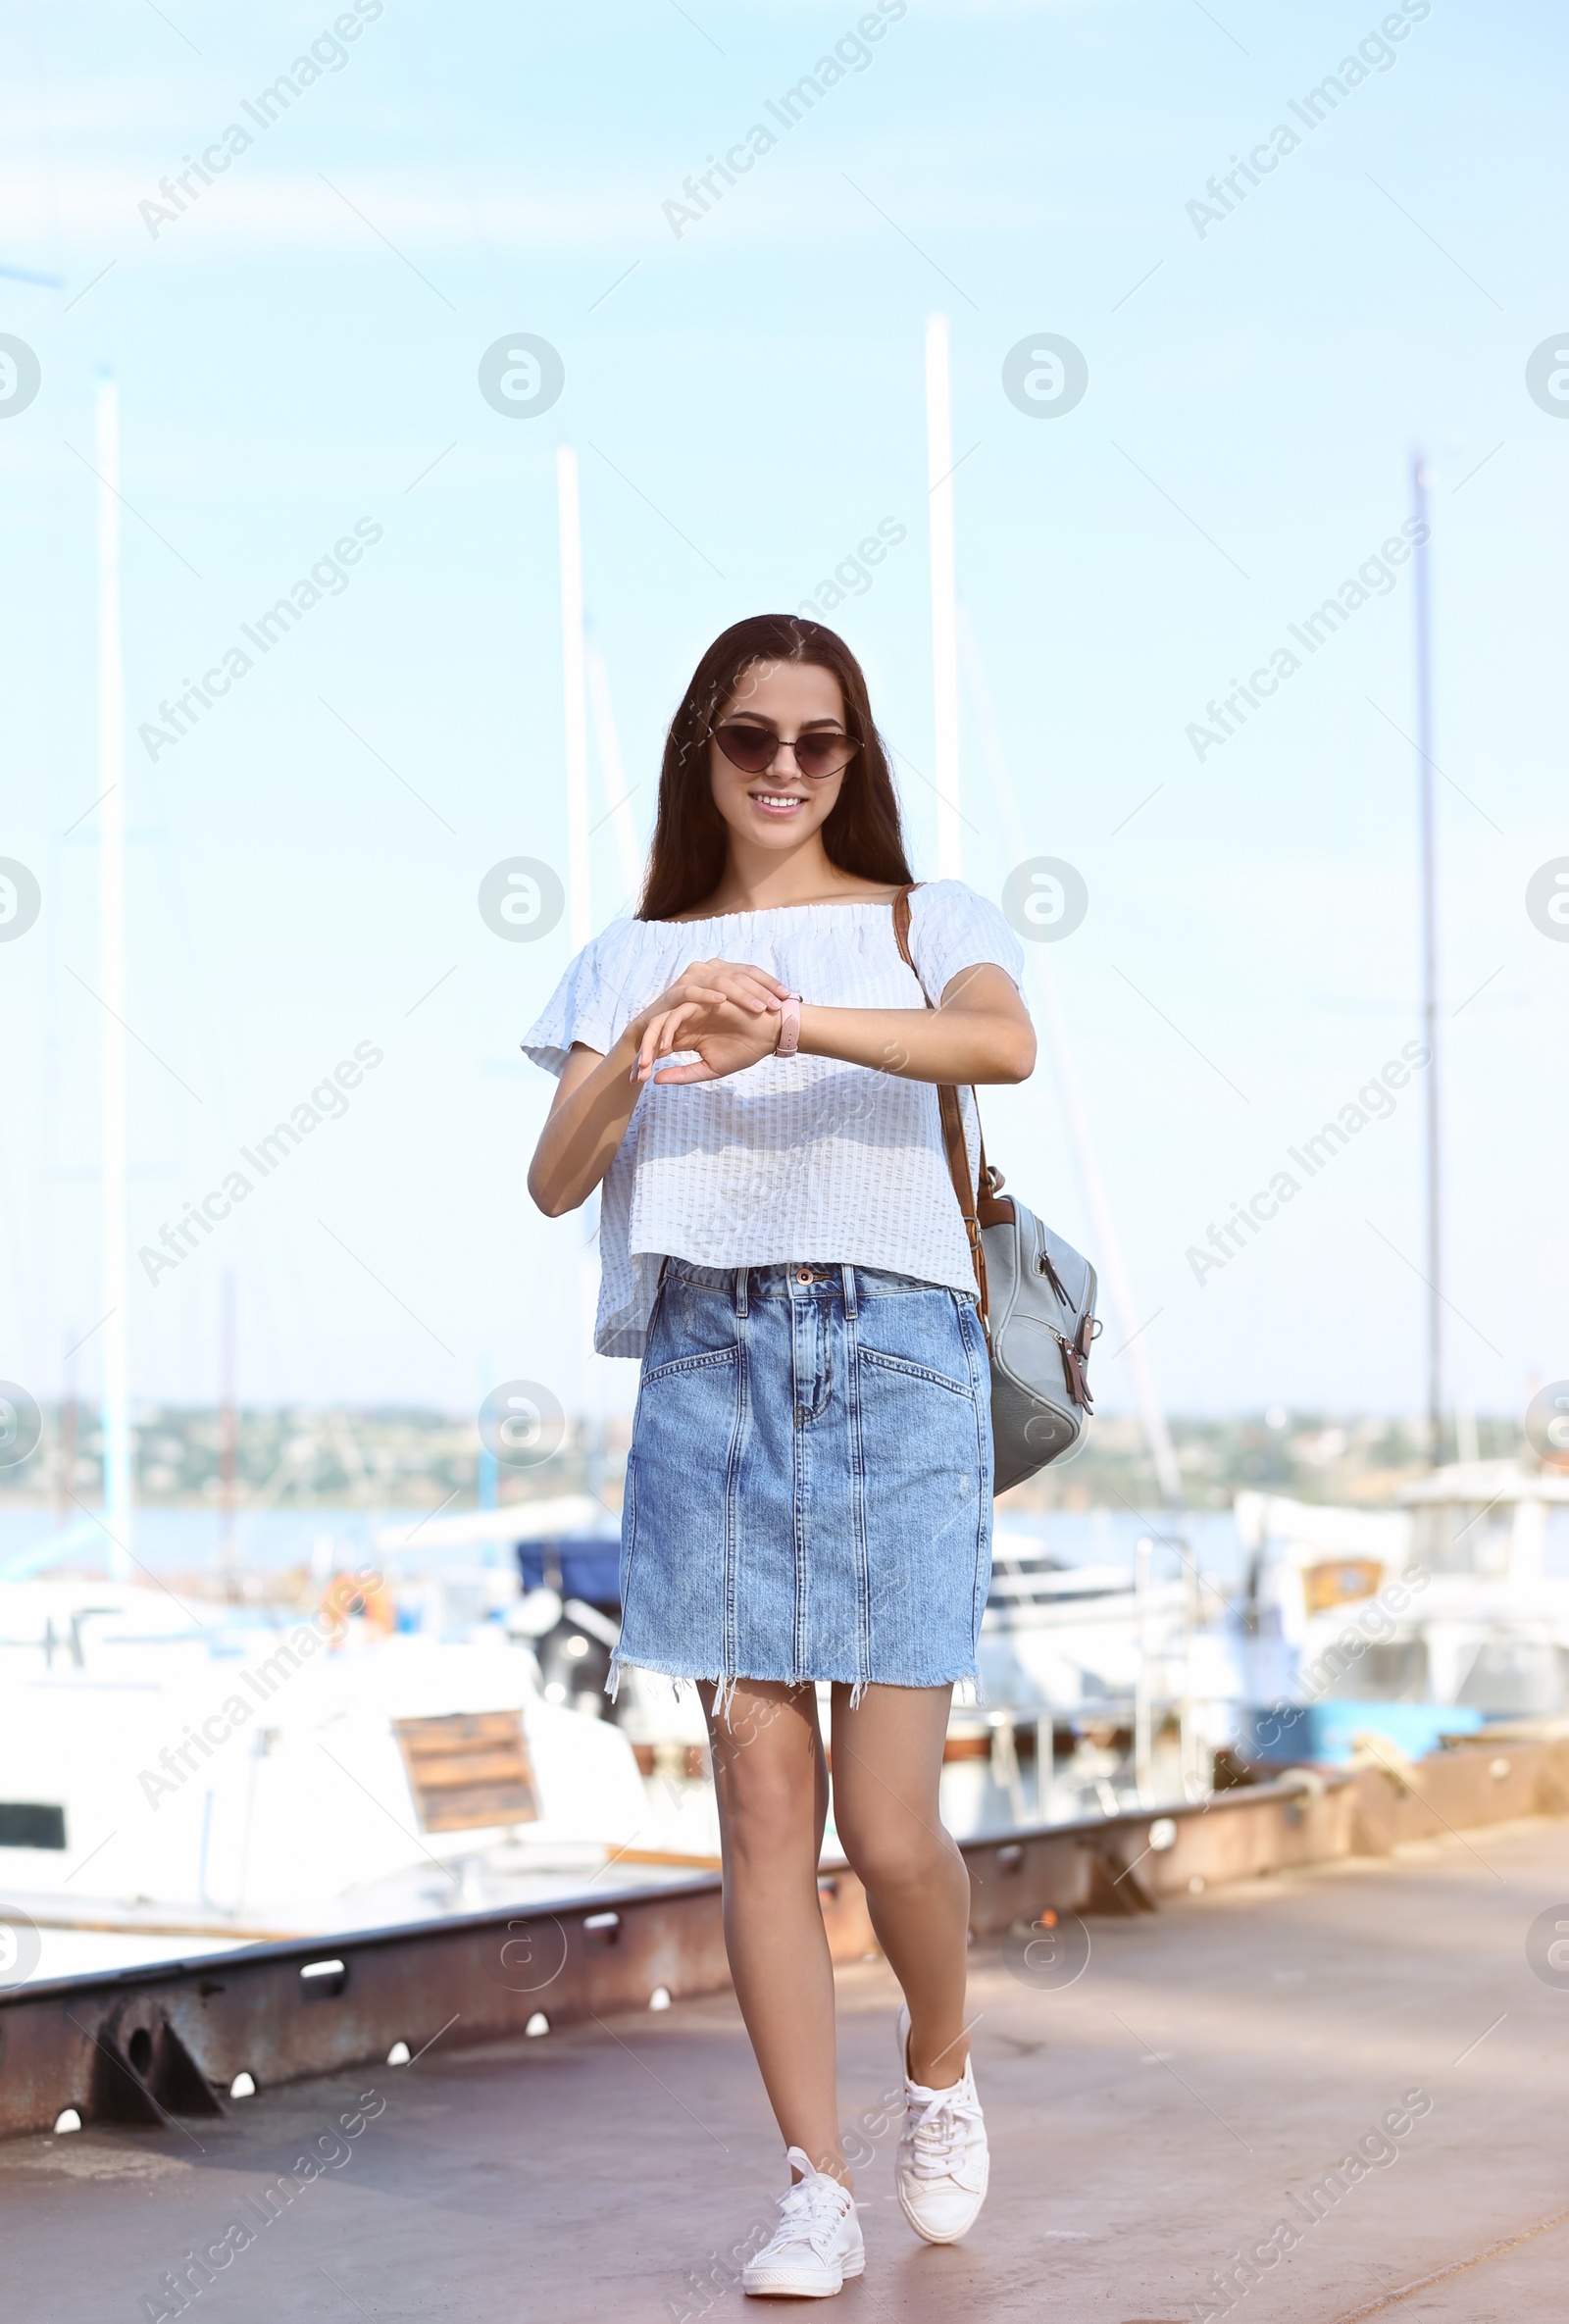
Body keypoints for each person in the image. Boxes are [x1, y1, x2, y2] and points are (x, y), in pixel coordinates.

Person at [524, 614, 1034, 2298]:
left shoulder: (920, 920)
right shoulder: (631, 954)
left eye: (821, 742)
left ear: (854, 758)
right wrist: (662, 1020)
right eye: (755, 738)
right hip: (711, 1365)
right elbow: (552, 1174)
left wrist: (794, 1023)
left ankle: (940, 2071)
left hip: (898, 1364)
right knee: (760, 1804)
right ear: (707, 749)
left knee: (890, 1825)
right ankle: (813, 2179)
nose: (787, 770)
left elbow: (1000, 1044)